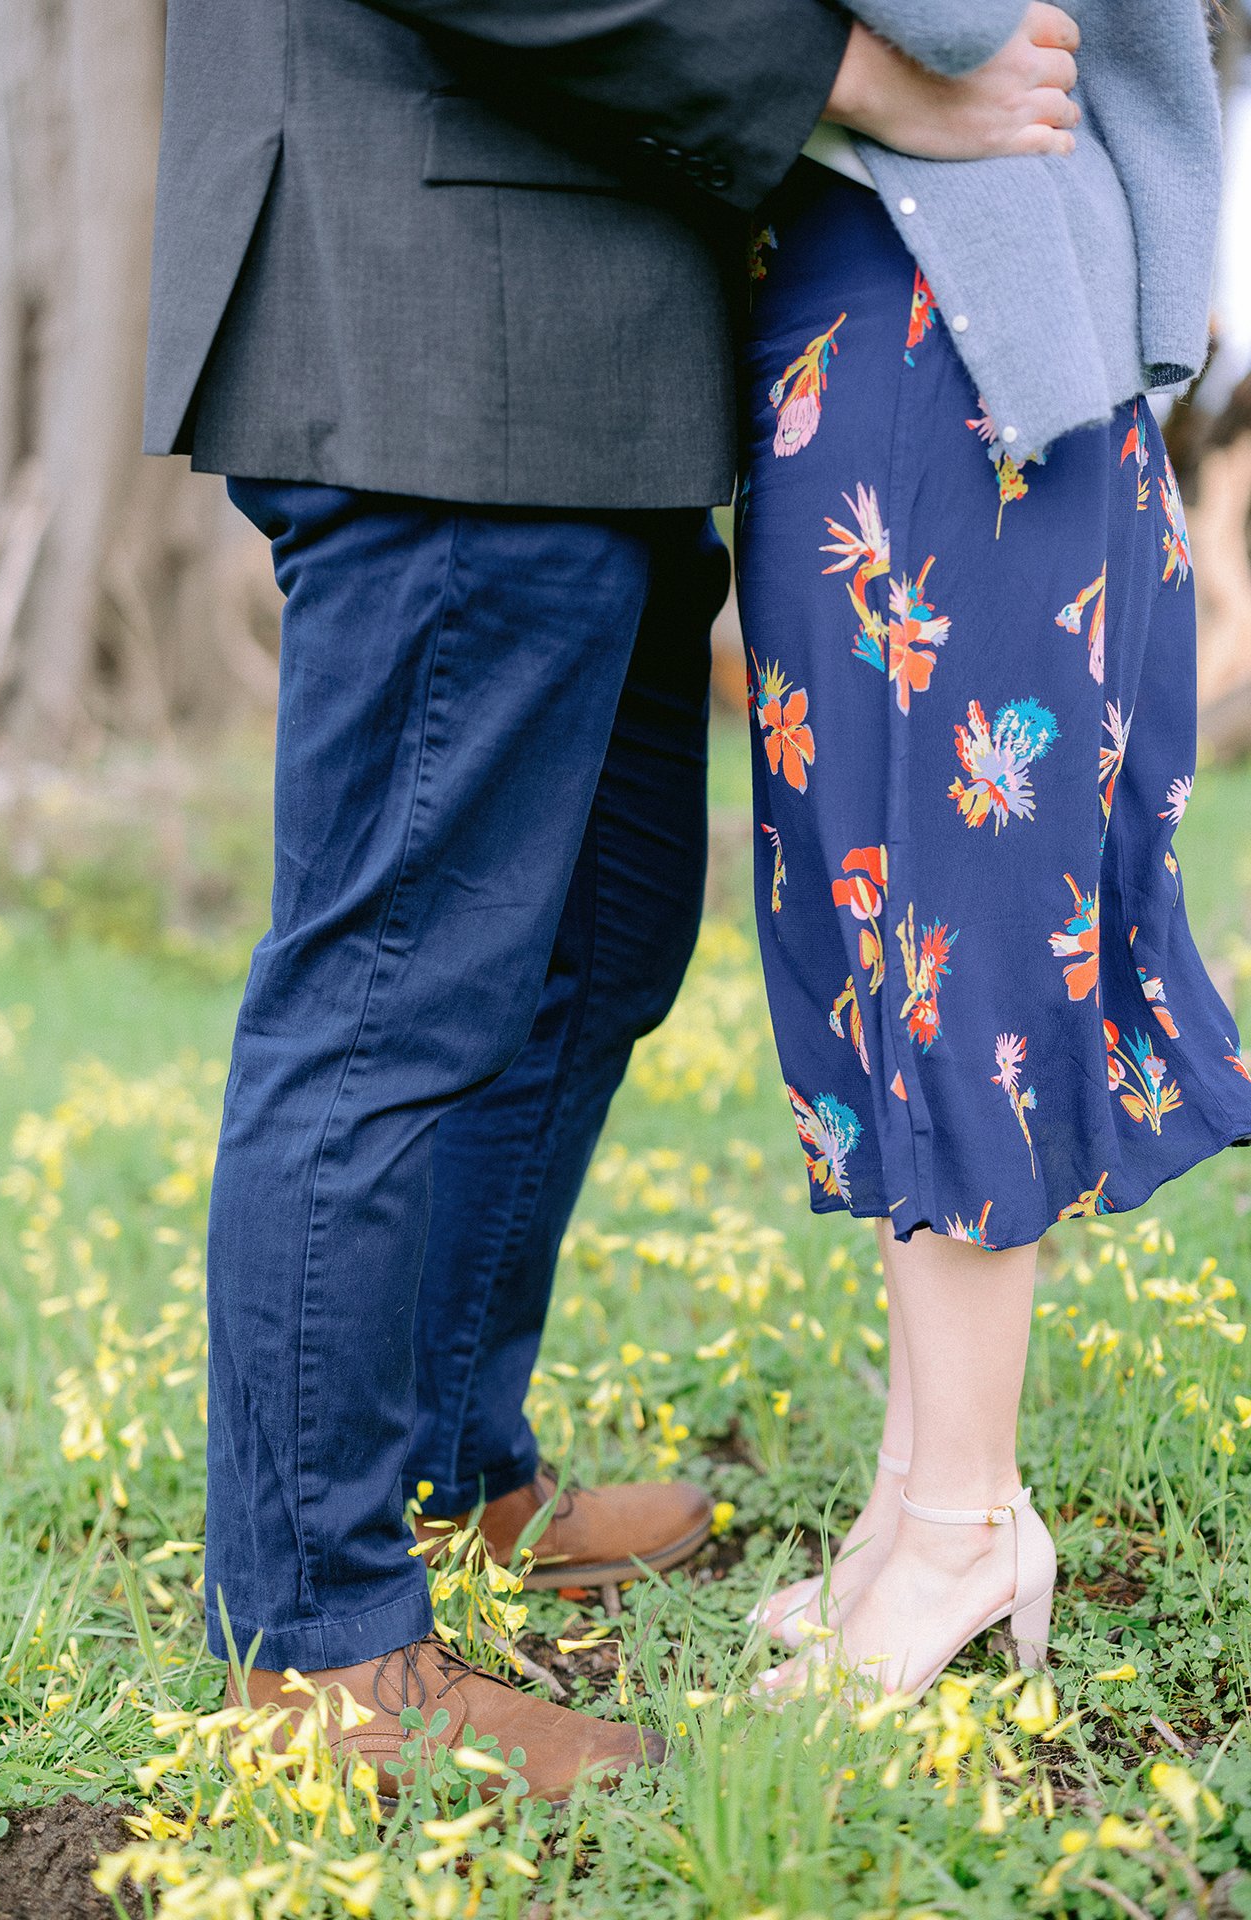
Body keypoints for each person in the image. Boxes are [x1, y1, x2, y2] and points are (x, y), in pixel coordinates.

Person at [144, 0, 1086, 1796]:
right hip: (446, 315)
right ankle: (319, 1639)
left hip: (576, 344)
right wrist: (870, 82)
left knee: (601, 933)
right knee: (394, 989)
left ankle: (444, 1471)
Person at [739, 0, 1251, 1701]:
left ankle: (963, 1522)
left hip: (951, 322)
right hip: (900, 290)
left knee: (952, 927)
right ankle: (922, 1498)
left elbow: (961, 18)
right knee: (889, 923)